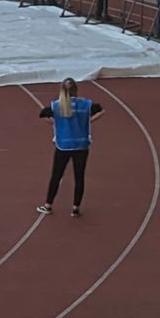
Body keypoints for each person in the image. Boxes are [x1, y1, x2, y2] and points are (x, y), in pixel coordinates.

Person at [37, 77, 104, 218]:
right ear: (76, 90)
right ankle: (75, 208)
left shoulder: (57, 106)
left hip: (63, 146)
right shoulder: (85, 104)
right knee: (79, 177)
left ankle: (48, 205)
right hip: (81, 145)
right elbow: (101, 110)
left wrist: (56, 124)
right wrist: (89, 121)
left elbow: (42, 114)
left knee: (57, 175)